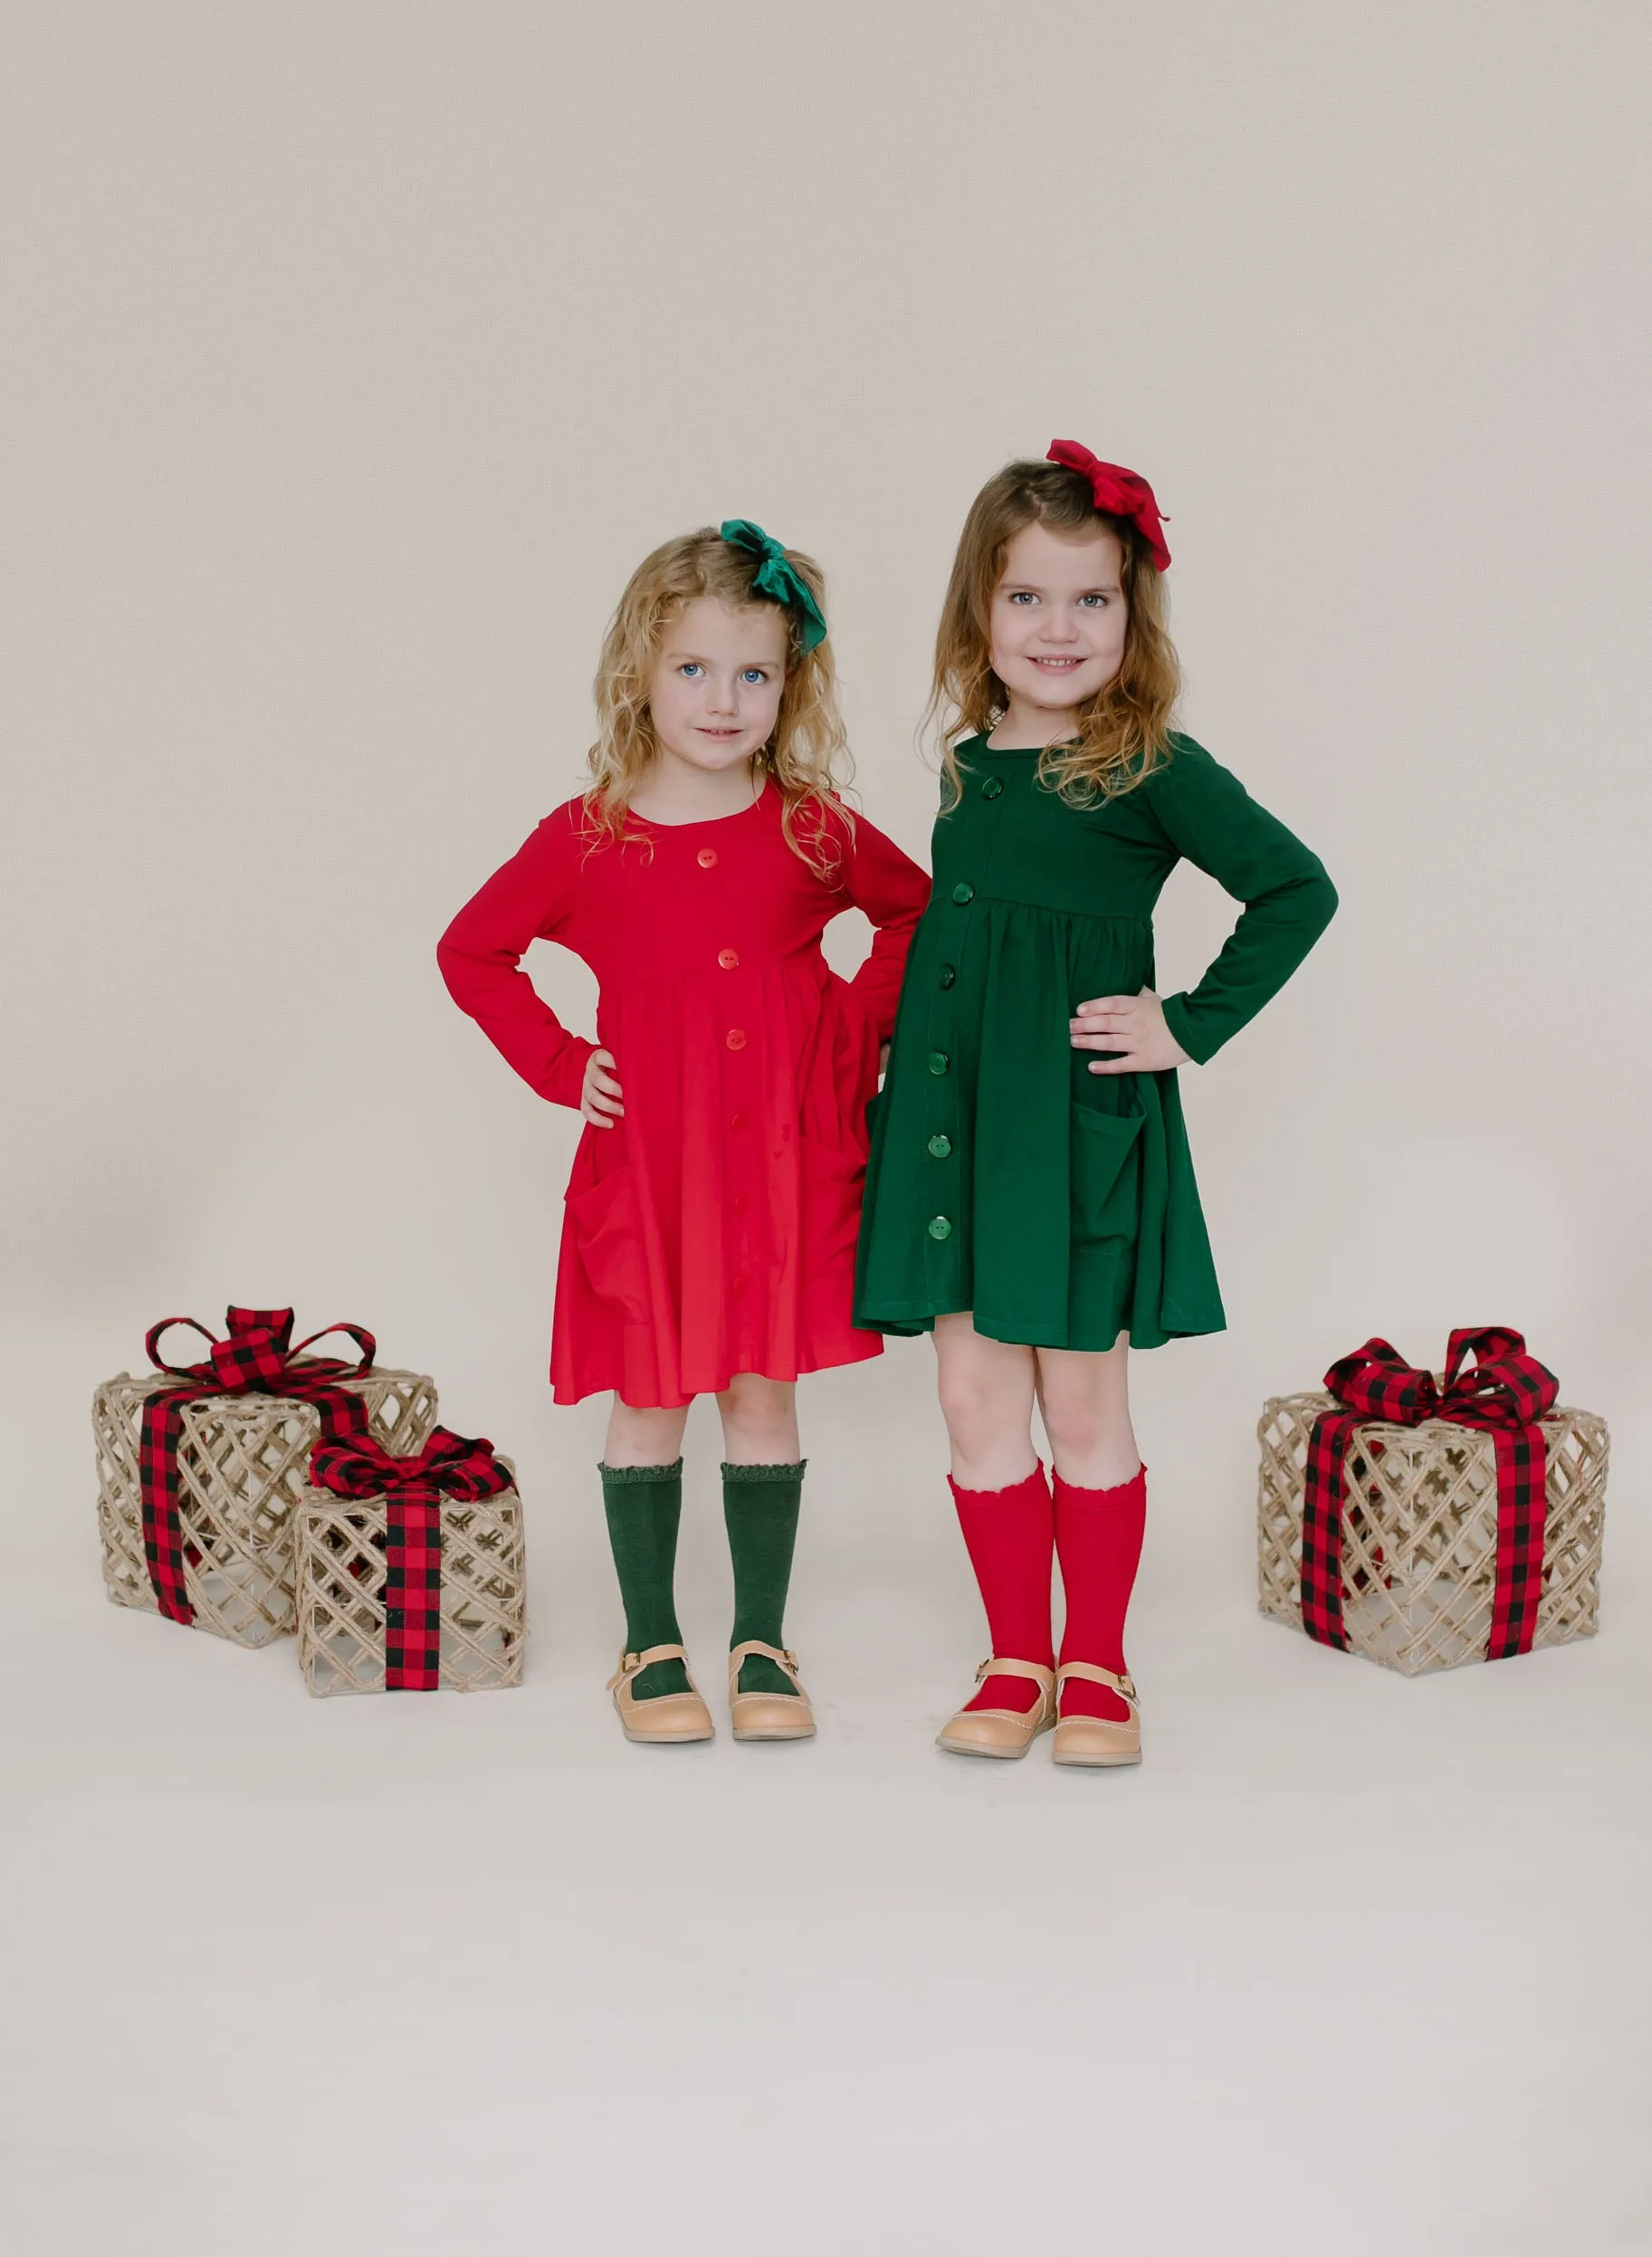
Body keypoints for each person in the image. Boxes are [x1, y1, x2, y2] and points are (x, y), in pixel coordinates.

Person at [854, 444, 1336, 1767]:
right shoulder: (968, 767)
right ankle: (1015, 1654)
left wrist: (1184, 1022)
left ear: (1133, 616)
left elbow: (1297, 888)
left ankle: (1099, 1661)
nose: (1058, 630)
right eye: (1026, 599)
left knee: (1080, 1402)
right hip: (953, 1130)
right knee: (969, 1397)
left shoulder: (1151, 764)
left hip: (1072, 1136)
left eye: (1091, 600)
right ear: (978, 613)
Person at [439, 521, 929, 1745]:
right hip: (654, 1165)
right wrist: (563, 1064)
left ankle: (762, 1638)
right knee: (652, 1392)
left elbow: (915, 916)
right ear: (640, 674)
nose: (724, 700)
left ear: (789, 684)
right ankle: (649, 1643)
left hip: (778, 1157)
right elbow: (474, 951)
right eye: (695, 670)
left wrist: (850, 1034)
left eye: (754, 673)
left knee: (763, 1390)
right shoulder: (587, 835)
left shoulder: (812, 827)